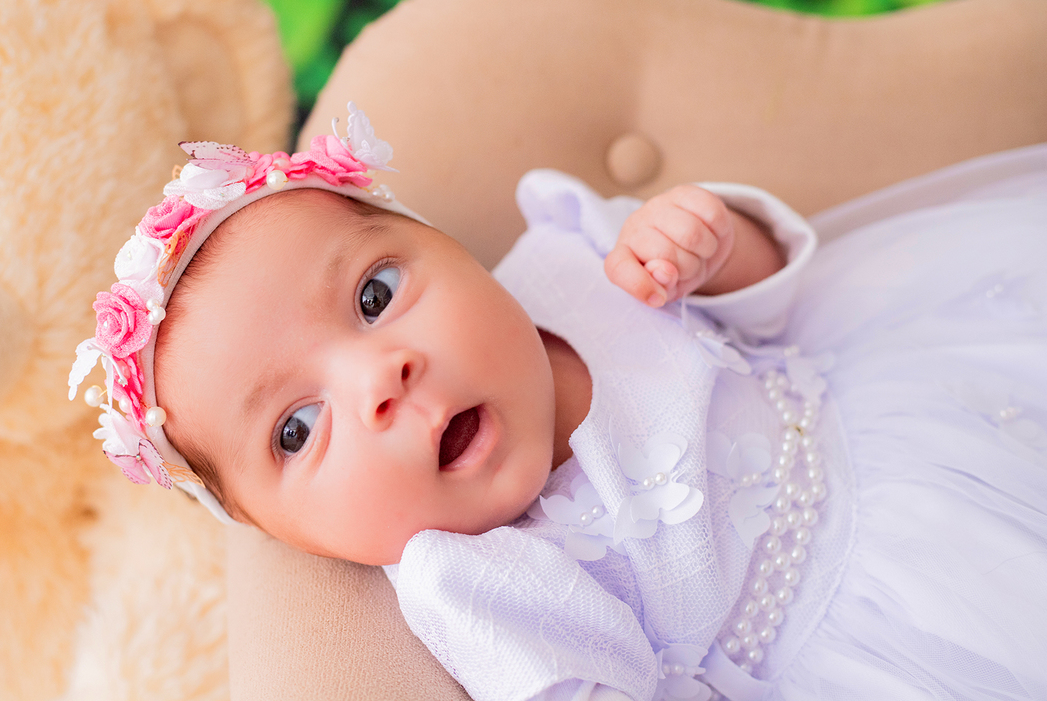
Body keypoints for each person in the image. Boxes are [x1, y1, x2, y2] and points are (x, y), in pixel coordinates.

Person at [70, 104, 1047, 701]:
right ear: (288, 535)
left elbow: (776, 307)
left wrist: (717, 245)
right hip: (874, 649)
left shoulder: (582, 261)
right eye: (296, 427)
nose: (379, 380)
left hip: (916, 419)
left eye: (375, 296)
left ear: (454, 249)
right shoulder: (483, 582)